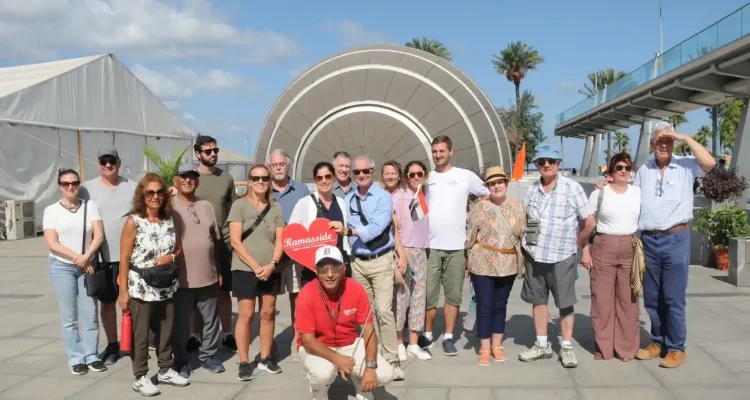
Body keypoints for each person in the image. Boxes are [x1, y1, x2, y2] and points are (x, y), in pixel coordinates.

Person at [630, 122, 715, 368]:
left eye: (668, 141)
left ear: (674, 142)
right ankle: (658, 342)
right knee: (652, 298)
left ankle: (677, 347)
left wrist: (685, 137)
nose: (664, 145)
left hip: (676, 238)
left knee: (673, 298)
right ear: (653, 144)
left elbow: (710, 164)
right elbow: (631, 197)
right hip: (648, 239)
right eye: (659, 141)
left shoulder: (686, 165)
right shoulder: (644, 169)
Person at [331, 155, 405, 380]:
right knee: (365, 315)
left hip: (381, 260)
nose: (360, 175)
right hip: (358, 262)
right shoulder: (349, 198)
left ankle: (392, 360)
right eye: (357, 172)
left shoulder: (383, 197)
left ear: (373, 171)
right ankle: (375, 357)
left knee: (384, 311)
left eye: (365, 171)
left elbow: (376, 228)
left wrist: (350, 231)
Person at [118, 173, 188, 396]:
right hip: (141, 287)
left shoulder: (169, 220)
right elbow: (124, 258)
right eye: (150, 192)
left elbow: (178, 249)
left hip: (166, 285)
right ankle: (140, 376)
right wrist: (123, 292)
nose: (155, 196)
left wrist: (171, 257)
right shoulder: (133, 222)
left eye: (160, 192)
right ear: (142, 195)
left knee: (166, 331)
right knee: (141, 336)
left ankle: (166, 369)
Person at [519, 145, 588, 368]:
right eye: (541, 162)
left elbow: (589, 221)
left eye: (551, 161)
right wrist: (527, 251)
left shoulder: (572, 187)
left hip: (562, 256)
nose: (546, 165)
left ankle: (566, 347)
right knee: (538, 301)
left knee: (565, 303)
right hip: (535, 256)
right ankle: (542, 345)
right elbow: (531, 221)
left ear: (559, 162)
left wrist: (579, 244)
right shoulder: (531, 190)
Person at [296, 245, 394, 400]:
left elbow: (369, 330)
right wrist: (337, 359)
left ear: (343, 268)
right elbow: (307, 340)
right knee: (322, 374)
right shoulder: (306, 293)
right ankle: (318, 390)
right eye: (323, 269)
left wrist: (370, 367)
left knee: (386, 375)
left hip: (350, 343)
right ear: (315, 270)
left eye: (335, 268)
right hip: (319, 345)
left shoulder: (355, 288)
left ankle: (360, 381)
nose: (329, 275)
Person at [423, 135, 489, 355]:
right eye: (435, 151)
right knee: (429, 297)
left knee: (453, 296)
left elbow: (487, 194)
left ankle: (449, 337)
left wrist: (474, 214)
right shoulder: (426, 177)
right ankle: (428, 335)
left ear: (451, 152)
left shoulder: (464, 176)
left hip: (457, 247)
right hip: (430, 247)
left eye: (442, 151)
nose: (438, 155)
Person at [578, 153, 641, 361]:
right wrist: (585, 250)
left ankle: (625, 349)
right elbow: (587, 224)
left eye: (627, 167)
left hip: (630, 246)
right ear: (611, 171)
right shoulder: (600, 193)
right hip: (604, 245)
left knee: (628, 300)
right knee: (602, 299)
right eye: (619, 167)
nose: (624, 170)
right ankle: (604, 348)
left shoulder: (637, 192)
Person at [78, 148, 138, 366]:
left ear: (119, 163)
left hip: (129, 257)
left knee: (132, 302)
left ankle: (132, 343)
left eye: (111, 161)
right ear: (98, 164)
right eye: (103, 161)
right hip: (101, 258)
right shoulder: (86, 189)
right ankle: (113, 344)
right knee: (107, 303)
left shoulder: (132, 187)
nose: (107, 165)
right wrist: (86, 255)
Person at [43, 169, 105, 375]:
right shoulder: (51, 210)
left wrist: (87, 256)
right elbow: (52, 243)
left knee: (91, 315)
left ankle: (92, 355)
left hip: (87, 266)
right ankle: (76, 358)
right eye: (65, 183)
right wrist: (79, 258)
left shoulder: (90, 206)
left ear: (79, 184)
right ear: (60, 186)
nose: (70, 187)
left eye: (74, 182)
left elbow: (98, 236)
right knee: (69, 317)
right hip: (63, 267)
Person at [228, 164, 285, 380]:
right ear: (249, 181)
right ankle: (244, 361)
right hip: (245, 268)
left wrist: (271, 264)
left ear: (270, 181)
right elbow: (235, 241)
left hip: (270, 268)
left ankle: (266, 357)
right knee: (246, 315)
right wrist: (255, 266)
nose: (260, 182)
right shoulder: (239, 206)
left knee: (268, 313)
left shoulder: (276, 208)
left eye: (265, 178)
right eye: (256, 178)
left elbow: (281, 239)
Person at [465, 167, 525, 366]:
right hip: (482, 262)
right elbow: (471, 234)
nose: (496, 186)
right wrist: (469, 258)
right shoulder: (480, 207)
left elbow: (522, 234)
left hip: (508, 263)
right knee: (484, 305)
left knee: (500, 305)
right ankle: (484, 346)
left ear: (506, 184)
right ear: (488, 187)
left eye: (500, 182)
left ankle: (497, 345)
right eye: (492, 183)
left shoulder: (517, 206)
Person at [171, 170, 225, 377]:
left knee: (211, 320)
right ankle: (182, 361)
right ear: (176, 181)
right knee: (181, 323)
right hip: (181, 279)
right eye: (183, 177)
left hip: (207, 276)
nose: (187, 181)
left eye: (192, 177)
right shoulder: (168, 206)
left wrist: (218, 270)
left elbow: (215, 242)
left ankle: (209, 356)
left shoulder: (206, 206)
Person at [192, 135, 237, 351]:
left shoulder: (226, 179)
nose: (213, 154)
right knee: (194, 290)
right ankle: (194, 334)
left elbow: (233, 209)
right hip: (196, 243)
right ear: (198, 153)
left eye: (215, 150)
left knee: (223, 290)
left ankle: (226, 332)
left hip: (223, 243)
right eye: (208, 151)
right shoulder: (190, 178)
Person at [268, 149, 310, 361]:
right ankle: (269, 344)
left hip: (296, 255)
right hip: (271, 254)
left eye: (281, 164)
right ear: (269, 166)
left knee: (298, 297)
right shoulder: (263, 189)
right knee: (269, 301)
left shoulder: (302, 190)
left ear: (288, 166)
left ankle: (298, 340)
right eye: (274, 165)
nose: (278, 168)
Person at [391, 161, 432, 361]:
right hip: (405, 251)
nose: (416, 177)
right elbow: (393, 227)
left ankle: (413, 344)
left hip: (421, 252)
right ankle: (399, 342)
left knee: (418, 298)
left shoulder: (426, 195)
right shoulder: (399, 196)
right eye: (412, 174)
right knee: (402, 298)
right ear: (406, 176)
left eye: (420, 173)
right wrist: (400, 255)